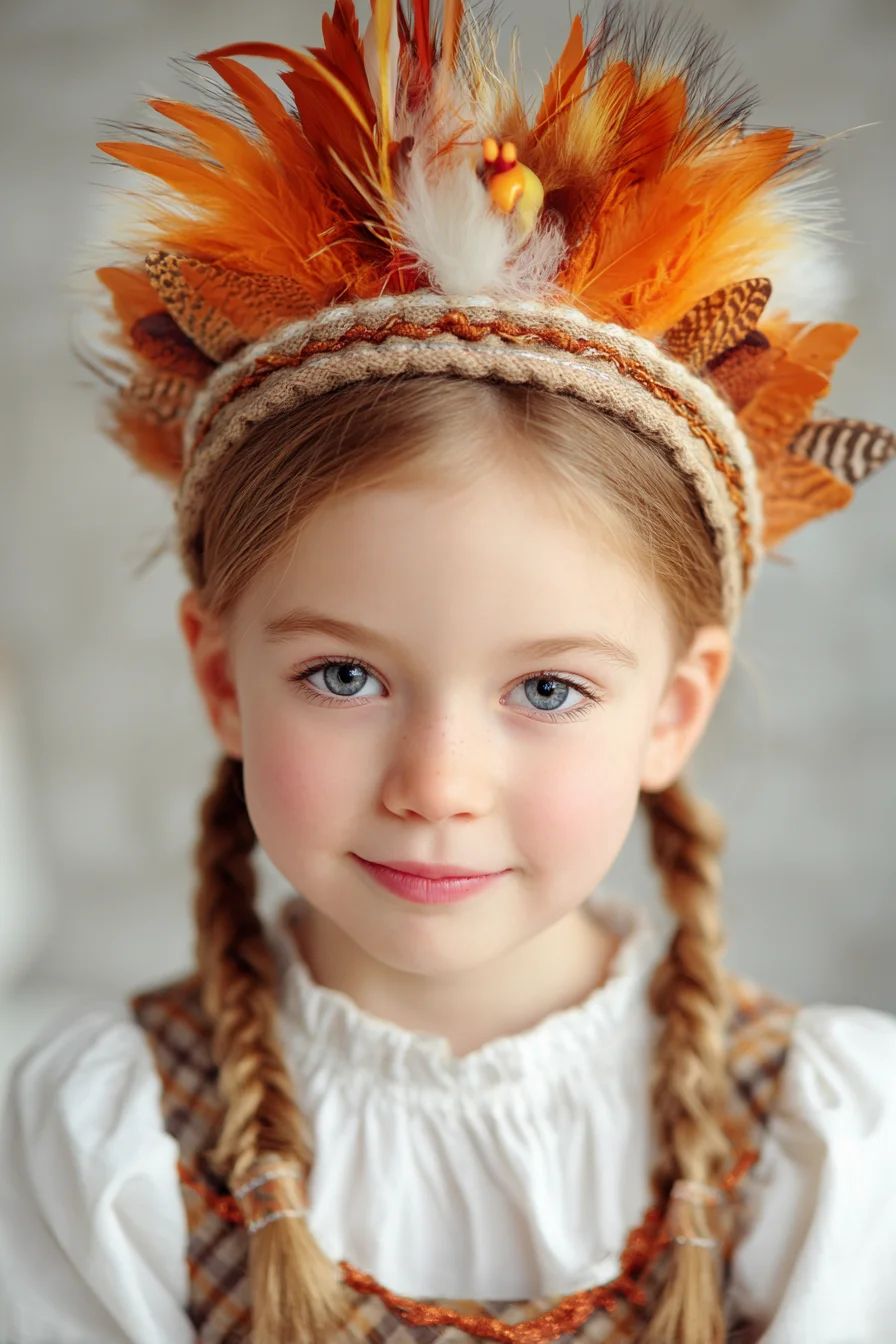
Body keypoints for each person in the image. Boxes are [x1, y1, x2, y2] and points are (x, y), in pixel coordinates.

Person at [1, 2, 895, 1342]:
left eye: (546, 690)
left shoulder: (826, 1148)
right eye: (346, 678)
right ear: (222, 676)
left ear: (675, 709)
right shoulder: (103, 1139)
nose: (436, 786)